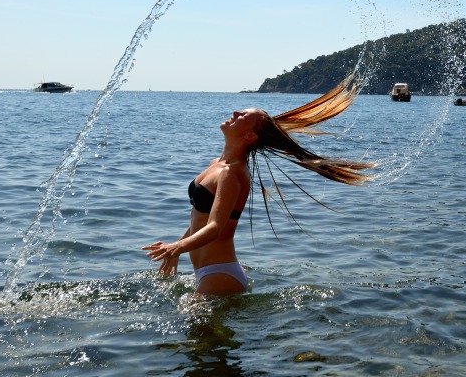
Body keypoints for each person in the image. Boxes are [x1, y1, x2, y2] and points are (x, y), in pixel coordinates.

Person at [142, 75, 375, 295]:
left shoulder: (231, 174)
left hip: (219, 273)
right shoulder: (217, 164)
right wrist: (178, 250)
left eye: (243, 116)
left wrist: (177, 247)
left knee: (191, 332)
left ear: (250, 137)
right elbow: (200, 218)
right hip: (207, 272)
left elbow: (215, 227)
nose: (235, 112)